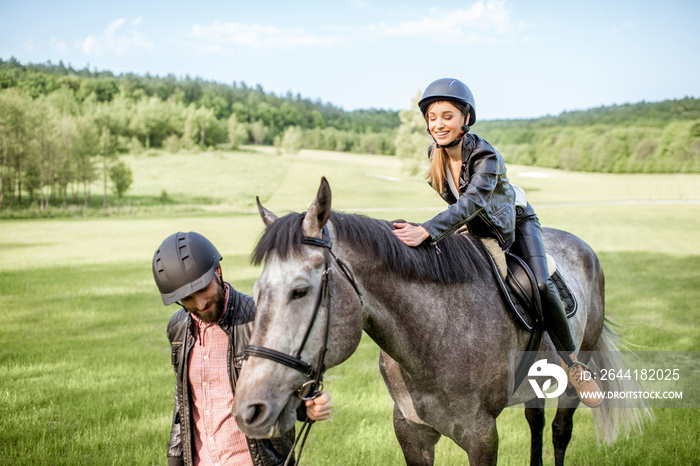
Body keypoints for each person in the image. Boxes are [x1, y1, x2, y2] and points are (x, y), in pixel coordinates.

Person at [391, 78, 603, 408]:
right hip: (474, 227)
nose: (438, 124)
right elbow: (458, 206)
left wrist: (428, 230)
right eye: (432, 117)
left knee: (542, 284)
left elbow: (472, 200)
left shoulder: (486, 156)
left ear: (465, 119)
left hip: (514, 225)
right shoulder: (436, 154)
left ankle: (572, 364)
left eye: (447, 116)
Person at [152, 231, 333, 466]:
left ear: (217, 271)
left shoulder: (260, 319)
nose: (200, 303)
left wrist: (312, 405)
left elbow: (292, 394)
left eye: (203, 289)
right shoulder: (178, 328)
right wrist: (175, 457)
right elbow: (183, 401)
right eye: (188, 298)